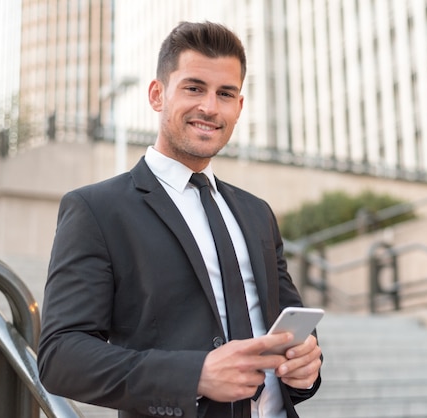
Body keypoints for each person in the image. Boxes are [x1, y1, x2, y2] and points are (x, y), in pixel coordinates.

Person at [37, 21, 322, 418]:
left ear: (238, 108)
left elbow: (291, 331)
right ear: (158, 95)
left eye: (225, 94)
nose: (209, 107)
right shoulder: (96, 209)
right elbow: (60, 357)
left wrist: (306, 365)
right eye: (193, 88)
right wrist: (195, 375)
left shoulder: (258, 213)